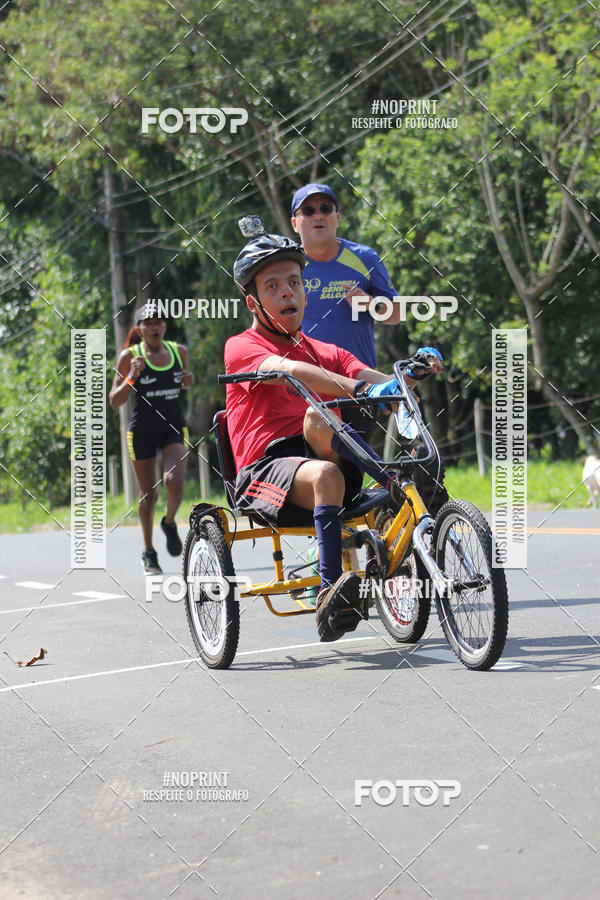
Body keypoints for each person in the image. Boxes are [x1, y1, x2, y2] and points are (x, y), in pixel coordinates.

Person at [225, 230, 442, 642]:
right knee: (319, 423)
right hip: (265, 472)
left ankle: (397, 492)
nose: (287, 292)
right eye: (273, 286)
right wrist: (360, 390)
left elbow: (376, 380)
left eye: (294, 282)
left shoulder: (321, 348)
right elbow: (291, 371)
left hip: (328, 463)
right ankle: (329, 593)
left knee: (323, 431)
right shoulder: (241, 346)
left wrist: (406, 379)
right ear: (254, 303)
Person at [291, 180, 448, 512]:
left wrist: (369, 303)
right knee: (316, 475)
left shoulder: (363, 257)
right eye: (308, 210)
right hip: (303, 387)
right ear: (295, 222)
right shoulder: (289, 266)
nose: (317, 215)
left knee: (349, 478)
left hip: (359, 386)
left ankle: (350, 537)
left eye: (325, 209)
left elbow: (396, 314)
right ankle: (322, 544)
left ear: (336, 217)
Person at [109, 303, 195, 575]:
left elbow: (185, 381)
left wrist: (188, 380)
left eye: (159, 322)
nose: (155, 326)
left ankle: (169, 523)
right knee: (149, 495)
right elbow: (114, 401)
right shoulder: (129, 356)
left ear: (165, 327)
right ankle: (148, 551)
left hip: (172, 428)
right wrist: (133, 376)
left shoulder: (178, 352)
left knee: (174, 481)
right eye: (149, 322)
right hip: (142, 432)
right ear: (140, 329)